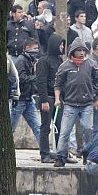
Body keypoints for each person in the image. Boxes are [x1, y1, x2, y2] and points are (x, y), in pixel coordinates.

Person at [53, 39, 98, 167]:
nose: (81, 53)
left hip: (86, 104)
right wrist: (57, 99)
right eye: (79, 50)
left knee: (88, 129)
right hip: (70, 104)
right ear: (73, 52)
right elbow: (57, 85)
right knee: (64, 132)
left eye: (84, 50)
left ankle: (88, 154)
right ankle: (61, 156)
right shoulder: (65, 66)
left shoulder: (90, 64)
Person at [36, 34, 65, 163]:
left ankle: (61, 153)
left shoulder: (59, 60)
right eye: (60, 44)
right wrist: (44, 100)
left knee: (60, 126)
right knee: (46, 126)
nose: (62, 47)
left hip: (58, 98)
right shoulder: (44, 61)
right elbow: (41, 81)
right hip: (47, 97)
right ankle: (45, 154)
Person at [10, 38, 41, 148]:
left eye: (37, 48)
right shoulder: (21, 60)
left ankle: (44, 151)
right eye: (34, 48)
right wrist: (35, 77)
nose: (36, 51)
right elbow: (21, 78)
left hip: (28, 99)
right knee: (10, 128)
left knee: (38, 127)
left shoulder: (31, 60)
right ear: (27, 48)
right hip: (19, 100)